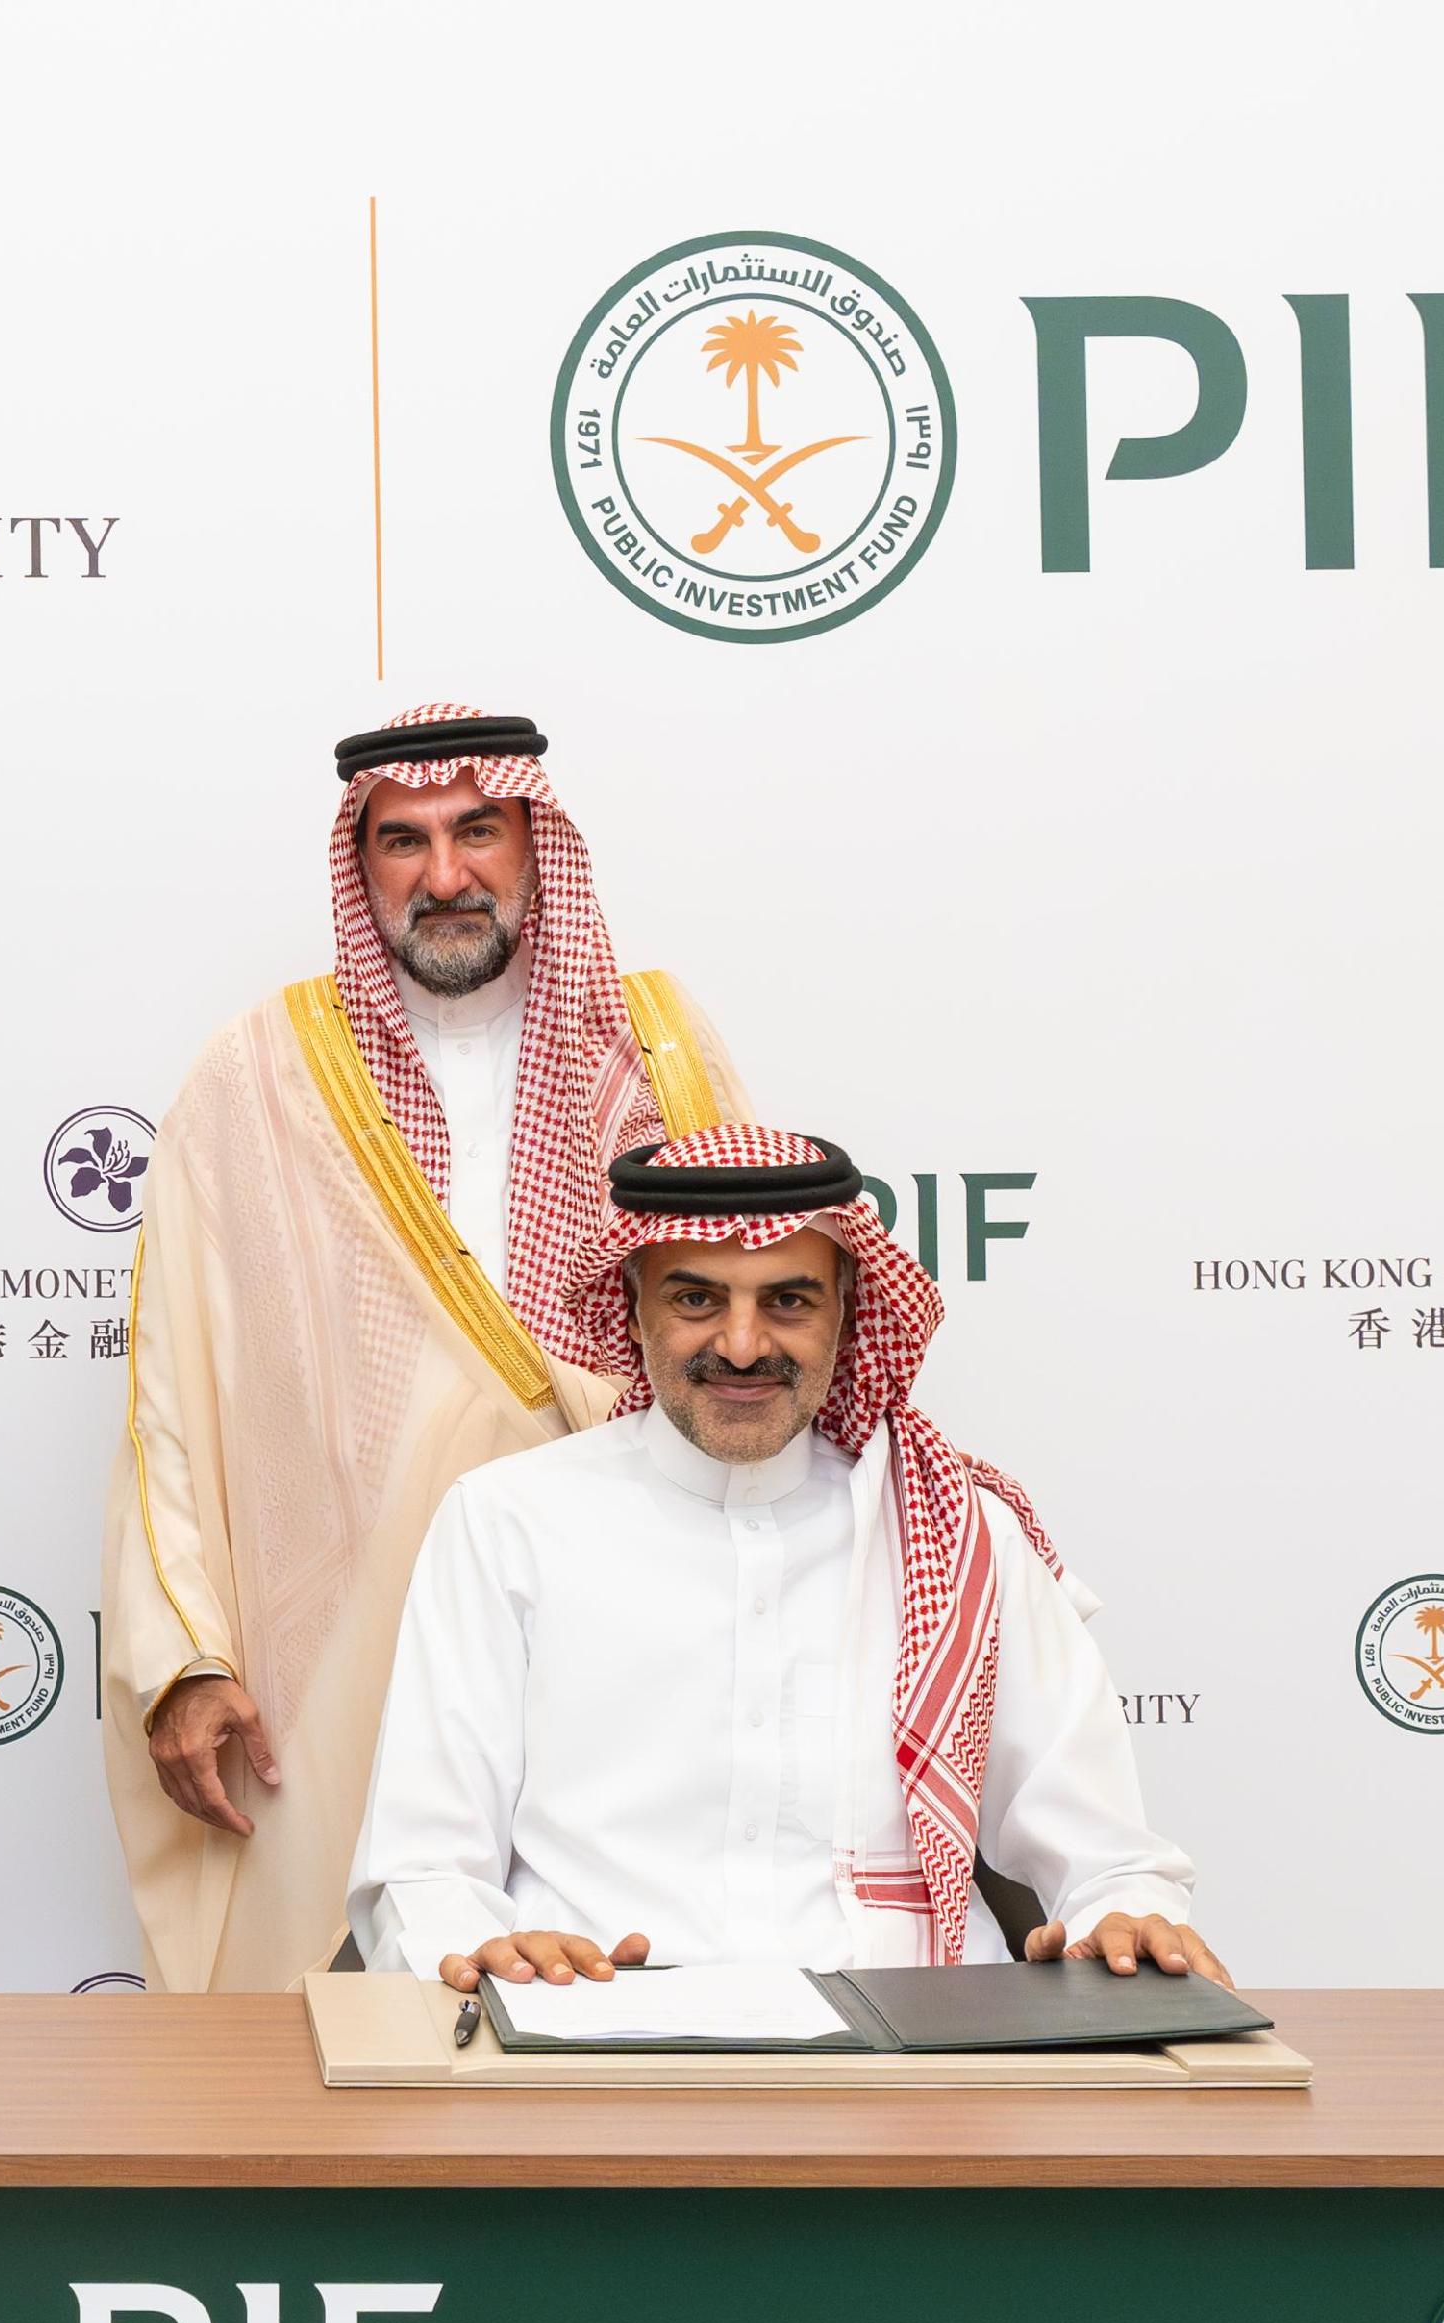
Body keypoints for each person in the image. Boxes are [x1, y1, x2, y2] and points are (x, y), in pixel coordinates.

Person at [100, 702, 747, 1992]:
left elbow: (750, 1322)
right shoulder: (255, 1073)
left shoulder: (658, 1051)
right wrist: (185, 1654)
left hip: (615, 1594)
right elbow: (170, 1389)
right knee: (331, 2005)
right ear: (361, 863)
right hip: (341, 1630)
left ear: (532, 844)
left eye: (477, 832)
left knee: (613, 1969)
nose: (444, 877)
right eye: (403, 842)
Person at [347, 1125, 1218, 1994]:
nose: (740, 1344)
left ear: (847, 1308)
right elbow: (425, 1876)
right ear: (634, 1301)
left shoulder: (960, 1529)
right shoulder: (509, 1520)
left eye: (788, 1302)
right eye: (696, 1300)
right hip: (601, 2040)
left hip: (926, 2061)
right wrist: (482, 1952)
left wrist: (1128, 1913)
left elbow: (1109, 1860)